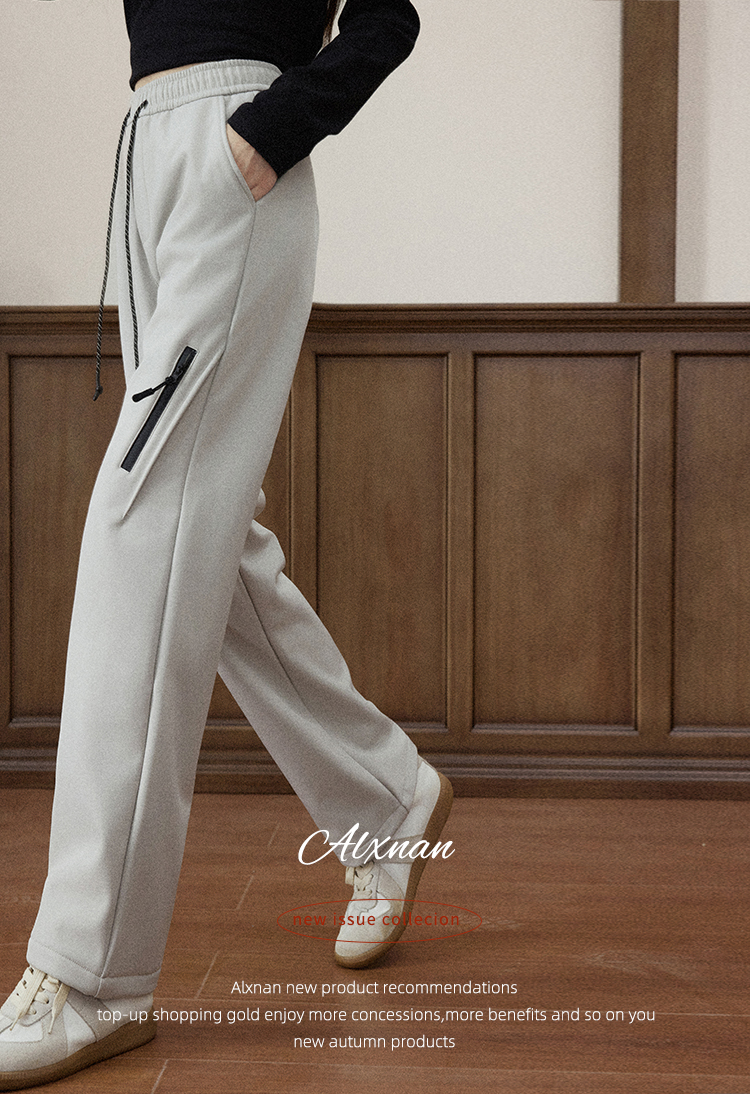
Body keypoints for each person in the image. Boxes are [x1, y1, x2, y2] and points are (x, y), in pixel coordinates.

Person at [0, 0, 454, 1088]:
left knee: (140, 531)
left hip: (234, 149)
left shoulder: (255, 132)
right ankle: (382, 797)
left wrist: (272, 126)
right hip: (146, 151)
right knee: (206, 539)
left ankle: (94, 975)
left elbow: (386, 17)